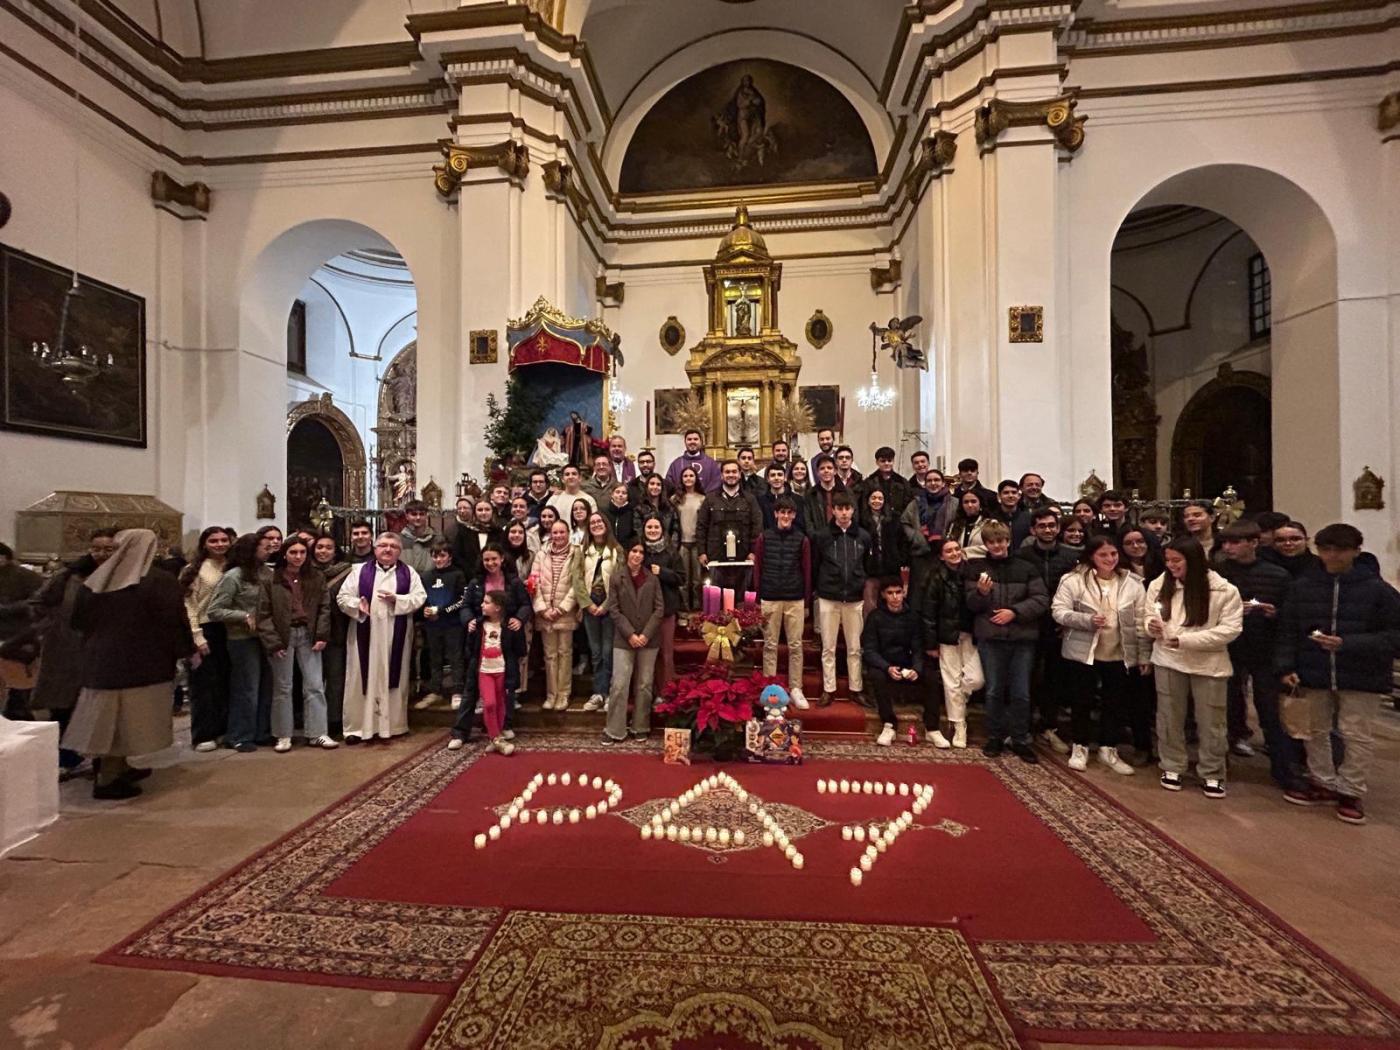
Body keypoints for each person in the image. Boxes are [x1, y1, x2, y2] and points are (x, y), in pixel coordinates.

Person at [1277, 523, 1400, 824]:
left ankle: (1350, 789)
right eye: (1326, 549)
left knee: (1356, 734)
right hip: (1313, 670)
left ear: (1356, 551)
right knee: (1315, 730)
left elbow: (1395, 635)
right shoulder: (1303, 586)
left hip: (1361, 674)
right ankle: (1323, 781)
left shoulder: (1378, 590)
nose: (1332, 556)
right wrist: (1286, 666)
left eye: (1340, 550)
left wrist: (1348, 644)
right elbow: (1288, 631)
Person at [58, 530, 192, 799]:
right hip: (142, 663)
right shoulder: (157, 581)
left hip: (101, 662)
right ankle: (108, 779)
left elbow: (76, 621)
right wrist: (185, 650)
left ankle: (119, 766)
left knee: (112, 721)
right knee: (126, 722)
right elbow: (173, 621)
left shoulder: (96, 580)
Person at [1140, 536, 1242, 798]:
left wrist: (1185, 640)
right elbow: (1149, 613)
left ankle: (1212, 770)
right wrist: (1151, 625)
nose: (1171, 566)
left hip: (1208, 663)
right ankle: (1172, 764)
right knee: (1169, 716)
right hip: (1168, 660)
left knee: (1211, 721)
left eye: (1177, 560)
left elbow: (1229, 629)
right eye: (1168, 560)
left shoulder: (1223, 590)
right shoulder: (1160, 583)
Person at [1051, 536, 1146, 776]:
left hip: (1118, 651)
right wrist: (1086, 620)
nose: (1109, 559)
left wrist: (1143, 655)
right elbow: (1059, 611)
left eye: (1113, 554)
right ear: (1092, 555)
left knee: (1114, 702)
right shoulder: (1074, 580)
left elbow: (1141, 620)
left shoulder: (1132, 583)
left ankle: (1108, 748)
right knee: (1081, 701)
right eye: (1103, 555)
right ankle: (1080, 746)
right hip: (1084, 651)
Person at [1216, 520, 1297, 785]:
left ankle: (1282, 768)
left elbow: (1291, 618)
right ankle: (1220, 763)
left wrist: (1274, 614)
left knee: (1269, 709)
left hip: (1264, 649)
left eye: (1235, 542)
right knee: (1225, 706)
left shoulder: (1277, 575)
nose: (1228, 548)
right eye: (1226, 542)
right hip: (1229, 647)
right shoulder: (1217, 573)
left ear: (1254, 543)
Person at [30, 528, 119, 771]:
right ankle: (66, 758)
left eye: (108, 549)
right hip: (68, 649)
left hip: (105, 647)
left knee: (101, 707)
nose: (101, 554)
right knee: (65, 704)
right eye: (97, 548)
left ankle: (104, 762)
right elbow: (39, 602)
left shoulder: (124, 575)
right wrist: (52, 626)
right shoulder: (70, 575)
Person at [965, 519, 1048, 763]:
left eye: (1000, 541)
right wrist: (981, 593)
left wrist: (1014, 612)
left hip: (1022, 638)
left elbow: (1041, 599)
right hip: (991, 638)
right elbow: (971, 605)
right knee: (993, 691)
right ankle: (995, 737)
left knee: (1021, 692)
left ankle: (1020, 738)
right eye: (991, 542)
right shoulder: (976, 568)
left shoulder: (1026, 567)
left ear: (1008, 541)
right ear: (986, 544)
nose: (996, 545)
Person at [336, 532, 427, 744]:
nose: (388, 549)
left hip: (396, 632)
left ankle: (392, 726)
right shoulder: (359, 571)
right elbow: (343, 597)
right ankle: (358, 728)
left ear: (399, 551)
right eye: (383, 545)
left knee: (393, 677)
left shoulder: (409, 573)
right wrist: (356, 605)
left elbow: (419, 597)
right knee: (361, 677)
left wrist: (397, 599)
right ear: (375, 549)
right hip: (364, 633)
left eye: (393, 546)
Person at [257, 536, 334, 751]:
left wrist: (321, 635)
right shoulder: (272, 579)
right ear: (284, 554)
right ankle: (283, 734)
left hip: (308, 634)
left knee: (315, 685)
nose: (298, 556)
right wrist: (273, 642)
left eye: (302, 552)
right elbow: (263, 613)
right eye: (293, 552)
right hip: (284, 634)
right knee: (283, 687)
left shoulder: (315, 577)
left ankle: (317, 732)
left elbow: (324, 608)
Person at [207, 532, 275, 752]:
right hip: (242, 639)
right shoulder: (234, 576)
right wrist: (243, 616)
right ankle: (239, 734)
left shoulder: (267, 572)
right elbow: (215, 610)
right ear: (251, 550)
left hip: (266, 637)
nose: (270, 549)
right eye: (264, 546)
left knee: (266, 686)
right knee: (247, 687)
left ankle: (261, 731)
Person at [1018, 507, 1079, 753]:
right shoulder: (1021, 556)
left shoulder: (1071, 556)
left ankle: (1049, 727)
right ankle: (1023, 728)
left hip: (1060, 627)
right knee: (1026, 678)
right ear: (1033, 530)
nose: (1047, 530)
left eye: (1051, 525)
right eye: (1042, 526)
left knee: (1054, 680)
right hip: (1028, 624)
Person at [918, 538, 982, 748]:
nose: (954, 553)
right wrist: (930, 643)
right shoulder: (935, 577)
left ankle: (958, 704)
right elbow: (928, 613)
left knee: (976, 679)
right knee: (950, 680)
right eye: (949, 551)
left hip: (971, 633)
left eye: (957, 549)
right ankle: (959, 725)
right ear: (942, 556)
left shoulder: (973, 572)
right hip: (946, 635)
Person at [751, 496, 811, 710]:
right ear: (775, 514)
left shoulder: (802, 539)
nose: (785, 516)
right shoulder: (764, 538)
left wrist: (805, 602)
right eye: (781, 512)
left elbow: (806, 571)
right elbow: (757, 569)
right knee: (770, 645)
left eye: (789, 513)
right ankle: (770, 687)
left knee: (795, 645)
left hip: (794, 598)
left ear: (794, 515)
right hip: (770, 597)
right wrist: (759, 598)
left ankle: (796, 688)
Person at [602, 541, 665, 743]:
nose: (637, 555)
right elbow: (613, 609)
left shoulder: (652, 579)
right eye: (634, 551)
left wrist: (645, 634)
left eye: (641, 552)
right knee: (619, 684)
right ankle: (614, 729)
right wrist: (630, 634)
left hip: (649, 638)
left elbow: (659, 609)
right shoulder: (617, 576)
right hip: (624, 638)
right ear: (627, 553)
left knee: (644, 685)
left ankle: (640, 726)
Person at [463, 544, 531, 724]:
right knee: (471, 687)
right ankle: (460, 731)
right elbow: (466, 606)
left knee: (506, 686)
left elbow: (525, 605)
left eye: (494, 559)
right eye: (486, 559)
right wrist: (469, 619)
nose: (490, 563)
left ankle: (504, 725)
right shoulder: (476, 582)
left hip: (506, 638)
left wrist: (519, 619)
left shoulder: (514, 582)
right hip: (481, 637)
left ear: (502, 559)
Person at [179, 526, 233, 752]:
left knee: (224, 681)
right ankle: (203, 733)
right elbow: (189, 605)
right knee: (203, 683)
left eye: (223, 540)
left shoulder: (232, 566)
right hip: (205, 627)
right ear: (204, 544)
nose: (220, 544)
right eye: (214, 541)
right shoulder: (194, 570)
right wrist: (196, 636)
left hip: (229, 628)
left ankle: (222, 729)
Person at [813, 494, 870, 706]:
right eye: (840, 508)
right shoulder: (823, 536)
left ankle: (856, 688)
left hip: (854, 598)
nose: (844, 513)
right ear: (833, 510)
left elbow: (866, 564)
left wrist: (859, 583)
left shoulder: (863, 536)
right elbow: (816, 564)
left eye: (848, 508)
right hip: (829, 597)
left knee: (854, 647)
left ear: (853, 511)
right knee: (828, 646)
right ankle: (829, 688)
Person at [451, 590, 522, 755]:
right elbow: (469, 647)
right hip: (484, 671)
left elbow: (518, 650)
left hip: (502, 671)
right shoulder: (478, 625)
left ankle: (494, 737)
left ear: (497, 607)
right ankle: (497, 738)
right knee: (489, 703)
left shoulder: (509, 626)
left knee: (499, 704)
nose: (482, 605)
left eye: (487, 602)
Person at [863, 577, 930, 746]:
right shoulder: (875, 617)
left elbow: (918, 647)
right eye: (890, 593)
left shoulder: (913, 616)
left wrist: (916, 668)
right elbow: (869, 650)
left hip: (907, 663)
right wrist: (887, 667)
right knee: (876, 676)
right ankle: (889, 724)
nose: (895, 597)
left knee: (931, 676)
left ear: (904, 593)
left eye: (898, 592)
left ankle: (933, 727)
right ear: (884, 595)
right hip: (884, 664)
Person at [575, 512, 622, 712]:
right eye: (592, 522)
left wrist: (607, 604)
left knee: (608, 650)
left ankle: (610, 692)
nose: (596, 525)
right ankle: (598, 693)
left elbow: (620, 581)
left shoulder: (617, 550)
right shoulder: (582, 550)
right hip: (590, 603)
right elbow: (576, 579)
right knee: (595, 652)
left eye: (599, 521)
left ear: (606, 524)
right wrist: (587, 604)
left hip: (609, 604)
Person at [532, 520, 581, 711]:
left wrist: (561, 608)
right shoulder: (541, 554)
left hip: (565, 612)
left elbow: (577, 584)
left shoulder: (576, 553)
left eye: (562, 532)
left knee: (565, 653)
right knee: (549, 656)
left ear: (568, 533)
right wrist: (543, 608)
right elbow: (533, 582)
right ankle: (551, 695)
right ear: (550, 534)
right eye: (555, 532)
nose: (559, 536)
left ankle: (563, 694)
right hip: (545, 613)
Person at [696, 460, 763, 595]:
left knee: (742, 600)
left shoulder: (750, 499)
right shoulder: (710, 499)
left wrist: (753, 551)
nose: (731, 475)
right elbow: (701, 526)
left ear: (740, 475)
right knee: (716, 598)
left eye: (734, 472)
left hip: (744, 557)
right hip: (715, 556)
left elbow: (757, 527)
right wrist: (702, 551)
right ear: (721, 475)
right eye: (727, 472)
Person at [417, 542, 467, 711]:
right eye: (435, 556)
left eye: (442, 555)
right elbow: (421, 598)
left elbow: (462, 600)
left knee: (455, 657)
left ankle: (457, 691)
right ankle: (435, 690)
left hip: (453, 624)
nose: (438, 559)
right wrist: (424, 611)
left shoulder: (457, 575)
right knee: (434, 656)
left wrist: (442, 611)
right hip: (432, 625)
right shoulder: (426, 576)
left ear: (450, 557)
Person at [311, 534, 353, 738]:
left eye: (328, 547)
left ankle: (333, 720)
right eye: (319, 547)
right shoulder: (305, 572)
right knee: (312, 681)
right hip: (308, 632)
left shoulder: (346, 571)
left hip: (336, 632)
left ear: (335, 551)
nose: (323, 551)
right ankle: (313, 721)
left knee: (336, 679)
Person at [640, 515, 682, 692]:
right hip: (644, 611)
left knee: (665, 654)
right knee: (648, 654)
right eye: (649, 527)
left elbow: (681, 578)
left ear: (662, 530)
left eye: (656, 527)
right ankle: (648, 691)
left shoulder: (671, 552)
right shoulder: (639, 551)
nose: (652, 530)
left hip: (666, 609)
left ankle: (666, 692)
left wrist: (662, 572)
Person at [861, 488, 908, 614]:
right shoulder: (861, 520)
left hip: (890, 568)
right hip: (870, 569)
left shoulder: (894, 518)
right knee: (870, 606)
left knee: (892, 604)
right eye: (873, 498)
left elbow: (903, 541)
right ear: (868, 500)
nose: (877, 501)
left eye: (880, 498)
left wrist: (900, 559)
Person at [674, 466, 707, 612]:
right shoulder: (675, 499)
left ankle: (697, 608)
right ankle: (684, 609)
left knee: (697, 580)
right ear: (681, 479)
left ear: (696, 478)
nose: (688, 478)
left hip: (696, 544)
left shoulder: (702, 499)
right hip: (682, 543)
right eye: (685, 476)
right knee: (684, 580)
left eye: (691, 476)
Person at [858, 446, 911, 522]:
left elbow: (907, 505)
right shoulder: (869, 482)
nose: (886, 463)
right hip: (875, 523)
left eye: (889, 460)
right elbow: (864, 505)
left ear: (893, 461)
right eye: (883, 461)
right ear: (877, 462)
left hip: (898, 523)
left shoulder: (902, 482)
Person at [665, 428, 721, 493]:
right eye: (689, 439)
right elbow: (669, 484)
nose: (692, 442)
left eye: (695, 439)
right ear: (685, 442)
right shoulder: (676, 464)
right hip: (681, 501)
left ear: (701, 442)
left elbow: (716, 483)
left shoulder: (711, 463)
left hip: (706, 501)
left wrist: (704, 498)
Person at [803, 454, 847, 532]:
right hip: (819, 539)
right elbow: (808, 521)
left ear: (835, 471)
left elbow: (853, 516)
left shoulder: (846, 492)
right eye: (822, 468)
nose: (826, 471)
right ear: (817, 472)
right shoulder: (810, 494)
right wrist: (816, 537)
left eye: (829, 468)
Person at [633, 473, 678, 546]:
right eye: (652, 484)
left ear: (662, 487)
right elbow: (638, 532)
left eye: (658, 484)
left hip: (668, 550)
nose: (655, 487)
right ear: (647, 486)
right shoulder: (639, 509)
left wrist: (672, 548)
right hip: (646, 550)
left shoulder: (670, 508)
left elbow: (676, 531)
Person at [398, 500, 438, 577]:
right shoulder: (398, 540)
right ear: (407, 516)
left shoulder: (437, 538)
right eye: (414, 514)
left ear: (427, 515)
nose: (418, 517)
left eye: (422, 514)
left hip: (430, 581)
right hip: (406, 580)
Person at [949, 489, 989, 559]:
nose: (969, 505)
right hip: (959, 564)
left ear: (980, 503)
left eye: (973, 501)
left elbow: (995, 546)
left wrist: (965, 552)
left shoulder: (989, 523)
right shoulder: (955, 524)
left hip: (982, 564)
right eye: (966, 502)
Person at [993, 479, 1032, 548]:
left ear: (1019, 496)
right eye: (1006, 493)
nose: (1010, 496)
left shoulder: (1029, 518)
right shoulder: (991, 518)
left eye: (1014, 492)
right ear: (999, 496)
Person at [602, 481, 637, 547]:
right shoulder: (604, 512)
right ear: (612, 494)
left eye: (624, 493)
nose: (620, 495)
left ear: (627, 496)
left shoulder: (632, 513)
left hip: (626, 549)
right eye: (617, 492)